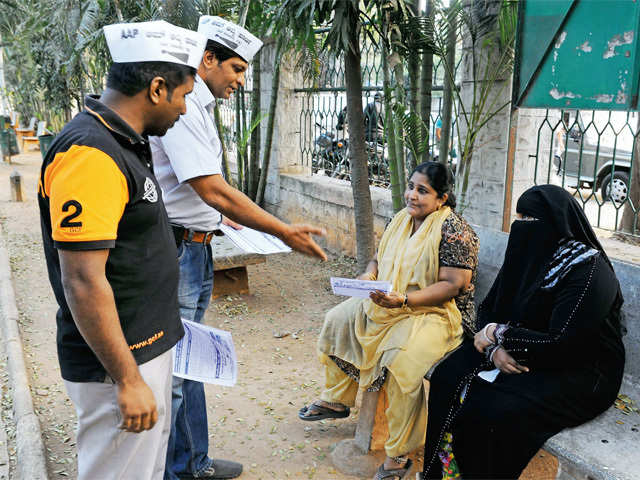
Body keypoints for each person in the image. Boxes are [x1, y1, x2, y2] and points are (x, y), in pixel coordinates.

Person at [149, 16, 327, 480]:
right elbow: (213, 188)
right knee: (180, 367)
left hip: (197, 245)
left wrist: (220, 217)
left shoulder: (201, 106)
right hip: (179, 250)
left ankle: (195, 461)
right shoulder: (185, 109)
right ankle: (183, 470)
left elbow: (205, 192)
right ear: (207, 60)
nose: (241, 82)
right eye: (237, 69)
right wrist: (285, 230)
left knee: (193, 358)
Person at [37, 21, 207, 480]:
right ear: (156, 88)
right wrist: (129, 380)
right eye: (184, 95)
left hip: (141, 350)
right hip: (119, 363)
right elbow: (82, 279)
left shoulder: (124, 142)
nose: (184, 108)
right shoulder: (91, 153)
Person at [420, 184, 626, 480]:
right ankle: (440, 475)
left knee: (492, 410)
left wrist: (499, 335)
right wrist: (493, 347)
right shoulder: (530, 253)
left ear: (556, 223)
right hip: (521, 347)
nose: (522, 227)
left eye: (531, 220)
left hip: (582, 367)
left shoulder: (588, 270)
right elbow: (491, 308)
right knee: (447, 377)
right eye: (519, 219)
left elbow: (563, 340)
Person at [299, 162, 479, 480]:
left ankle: (399, 453)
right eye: (411, 186)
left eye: (422, 191)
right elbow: (380, 258)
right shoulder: (401, 219)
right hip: (390, 304)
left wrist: (405, 300)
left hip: (436, 314)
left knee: (400, 361)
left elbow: (453, 285)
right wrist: (369, 274)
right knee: (337, 320)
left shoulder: (454, 229)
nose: (411, 195)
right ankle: (337, 399)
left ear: (442, 198)